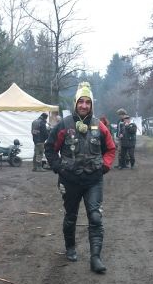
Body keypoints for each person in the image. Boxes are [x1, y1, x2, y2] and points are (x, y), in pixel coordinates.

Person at [45, 82, 116, 273]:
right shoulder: (64, 125)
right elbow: (50, 148)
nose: (84, 105)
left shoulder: (100, 126)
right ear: (76, 103)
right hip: (70, 180)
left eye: (88, 102)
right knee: (71, 216)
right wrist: (59, 168)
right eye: (81, 102)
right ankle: (70, 247)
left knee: (95, 217)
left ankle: (95, 258)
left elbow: (111, 148)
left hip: (93, 180)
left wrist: (105, 166)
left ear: (92, 105)